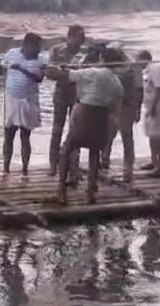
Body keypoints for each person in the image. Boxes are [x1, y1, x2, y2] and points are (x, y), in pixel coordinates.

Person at [46, 48, 123, 205]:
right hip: (101, 116)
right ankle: (90, 190)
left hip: (85, 113)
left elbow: (65, 77)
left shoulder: (94, 72)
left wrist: (52, 69)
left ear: (102, 58)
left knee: (67, 149)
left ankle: (61, 190)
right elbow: (115, 104)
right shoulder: (116, 81)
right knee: (94, 152)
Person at [0, 33, 46, 175]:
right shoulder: (12, 54)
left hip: (28, 100)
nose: (38, 50)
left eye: (39, 47)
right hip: (11, 98)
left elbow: (39, 78)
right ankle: (5, 169)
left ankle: (24, 170)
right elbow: (2, 70)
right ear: (26, 45)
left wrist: (22, 69)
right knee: (8, 135)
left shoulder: (41, 59)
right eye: (36, 47)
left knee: (25, 136)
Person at [47, 25, 86, 179]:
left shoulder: (85, 53)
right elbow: (49, 73)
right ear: (70, 36)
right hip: (61, 94)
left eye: (84, 36)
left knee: (77, 132)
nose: (83, 39)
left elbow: (89, 73)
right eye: (80, 36)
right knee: (57, 129)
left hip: (79, 95)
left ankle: (74, 166)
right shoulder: (57, 50)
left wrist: (67, 74)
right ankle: (53, 165)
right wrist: (67, 74)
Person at [101, 44, 143, 182]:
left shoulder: (132, 67)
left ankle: (128, 166)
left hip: (127, 105)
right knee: (108, 134)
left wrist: (138, 108)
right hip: (112, 105)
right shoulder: (109, 67)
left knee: (126, 136)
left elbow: (139, 89)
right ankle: (105, 160)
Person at [136, 50, 160, 177]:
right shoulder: (145, 71)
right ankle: (154, 161)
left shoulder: (155, 68)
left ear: (144, 58)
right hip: (149, 107)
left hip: (158, 107)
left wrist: (153, 106)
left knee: (159, 137)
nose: (136, 62)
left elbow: (159, 88)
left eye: (138, 59)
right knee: (152, 135)